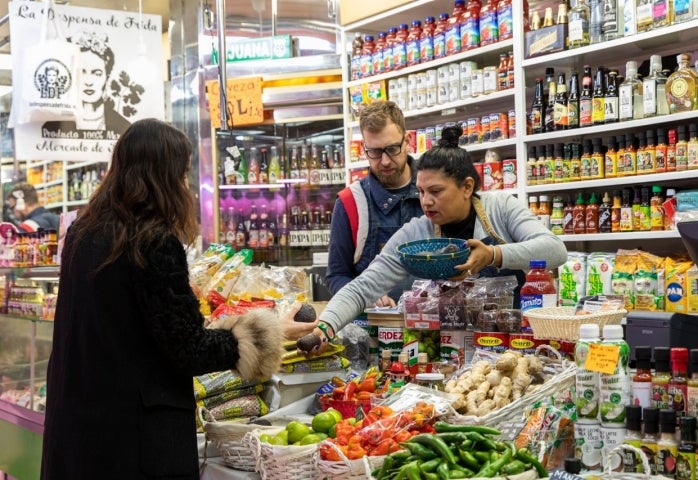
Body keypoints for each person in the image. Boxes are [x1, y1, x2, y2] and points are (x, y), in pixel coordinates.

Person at [40, 119, 316, 480]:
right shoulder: (151, 241)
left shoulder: (84, 230)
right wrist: (269, 332)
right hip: (135, 437)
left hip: (80, 425)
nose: (185, 186)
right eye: (182, 174)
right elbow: (188, 347)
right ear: (161, 177)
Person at [304, 124, 567, 351]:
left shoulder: (499, 207)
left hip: (513, 344)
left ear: (467, 187)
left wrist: (494, 254)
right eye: (420, 191)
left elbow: (555, 250)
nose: (426, 202)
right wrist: (322, 330)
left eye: (436, 191)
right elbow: (362, 289)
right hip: (447, 351)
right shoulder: (417, 232)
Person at [326, 100, 423, 307]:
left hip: (437, 324)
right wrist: (366, 298)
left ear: (407, 141)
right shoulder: (350, 202)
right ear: (364, 149)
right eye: (375, 152)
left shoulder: (438, 191)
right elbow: (337, 276)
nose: (385, 161)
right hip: (374, 331)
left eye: (392, 148)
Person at [42, 31, 131, 138]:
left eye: (97, 73)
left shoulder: (124, 127)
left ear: (107, 77)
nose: (88, 82)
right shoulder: (52, 126)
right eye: (81, 72)